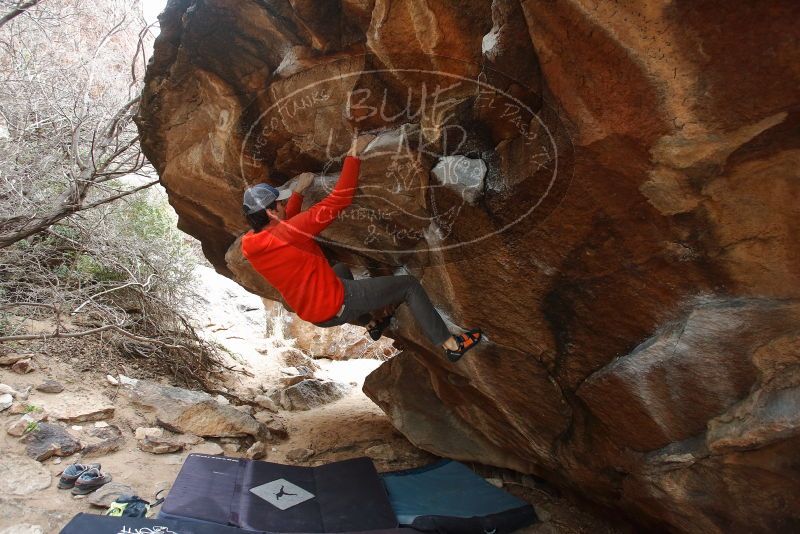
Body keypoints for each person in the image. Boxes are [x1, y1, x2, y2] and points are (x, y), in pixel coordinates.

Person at [240, 134, 482, 362]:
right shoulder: (287, 233)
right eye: (280, 204)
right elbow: (339, 199)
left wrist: (297, 195)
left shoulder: (253, 243)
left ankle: (372, 323)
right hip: (336, 303)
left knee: (341, 268)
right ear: (271, 212)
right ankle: (451, 345)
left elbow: (284, 229)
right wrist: (353, 154)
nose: (284, 205)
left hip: (312, 312)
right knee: (409, 286)